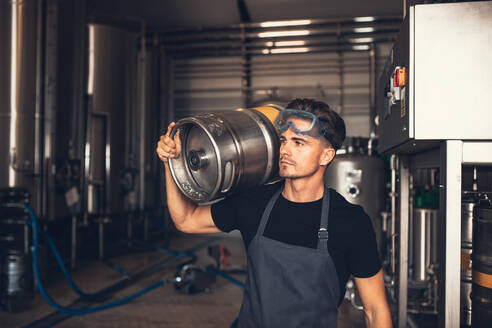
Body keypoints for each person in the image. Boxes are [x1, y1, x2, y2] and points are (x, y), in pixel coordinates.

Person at [156, 98, 392, 327]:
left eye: (299, 143)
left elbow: (375, 310)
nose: (285, 150)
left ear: (326, 155)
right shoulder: (255, 202)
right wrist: (172, 162)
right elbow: (186, 220)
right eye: (283, 140)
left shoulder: (350, 222)